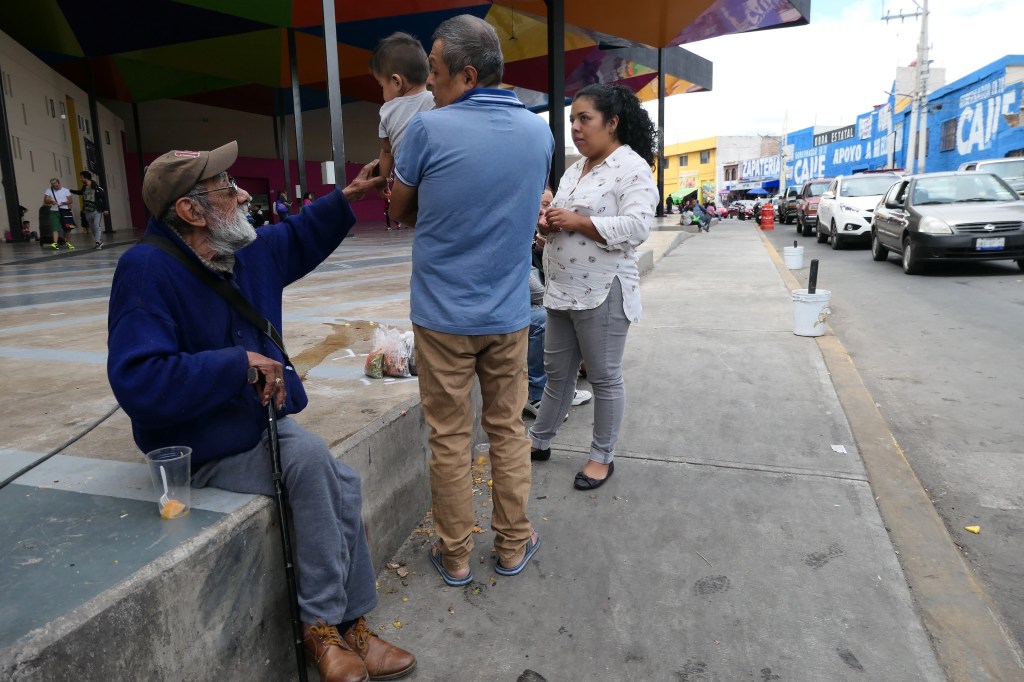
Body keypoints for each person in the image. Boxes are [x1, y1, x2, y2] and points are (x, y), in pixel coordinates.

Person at [106, 141, 415, 682]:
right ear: (191, 210)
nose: (244, 194)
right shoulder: (145, 270)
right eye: (227, 187)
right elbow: (139, 380)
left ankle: (352, 624)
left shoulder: (242, 251)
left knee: (341, 482)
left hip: (254, 426)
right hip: (200, 445)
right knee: (313, 460)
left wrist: (349, 196)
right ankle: (321, 627)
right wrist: (235, 364)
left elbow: (296, 235)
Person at [388, 14, 554, 586]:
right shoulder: (539, 133)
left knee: (450, 437)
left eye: (435, 71)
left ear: (466, 74)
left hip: (441, 318)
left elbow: (398, 210)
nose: (429, 82)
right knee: (507, 430)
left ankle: (455, 554)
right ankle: (512, 545)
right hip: (507, 314)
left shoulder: (427, 131)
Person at [529, 83, 658, 491]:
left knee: (603, 377)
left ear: (612, 122)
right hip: (561, 290)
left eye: (585, 119)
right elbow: (562, 217)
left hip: (602, 291)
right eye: (572, 120)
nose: (575, 128)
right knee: (557, 374)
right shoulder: (575, 169)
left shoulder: (632, 167)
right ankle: (540, 439)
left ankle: (602, 456)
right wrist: (548, 226)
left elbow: (638, 225)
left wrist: (578, 222)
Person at [525, 188, 592, 418]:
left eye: (551, 205)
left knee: (573, 307)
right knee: (547, 318)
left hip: (529, 302)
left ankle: (564, 388)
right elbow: (536, 291)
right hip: (513, 307)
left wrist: (545, 252)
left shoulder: (543, 236)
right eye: (543, 205)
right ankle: (537, 395)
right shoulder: (520, 232)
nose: (546, 211)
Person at [370, 32, 434, 231]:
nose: (382, 91)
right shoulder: (436, 100)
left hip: (408, 183)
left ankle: (428, 229)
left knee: (397, 213)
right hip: (437, 176)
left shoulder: (387, 111)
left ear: (397, 82)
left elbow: (386, 151)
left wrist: (383, 180)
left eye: (382, 85)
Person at [69, 170, 109, 249]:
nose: (80, 179)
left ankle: (98, 242)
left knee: (96, 225)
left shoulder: (97, 187)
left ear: (86, 177)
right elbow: (80, 192)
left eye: (81, 177)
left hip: (96, 210)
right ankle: (99, 240)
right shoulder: (84, 187)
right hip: (87, 210)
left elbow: (104, 198)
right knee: (92, 227)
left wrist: (106, 209)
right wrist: (70, 191)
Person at [43, 177, 74, 250]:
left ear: (59, 183)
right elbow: (45, 200)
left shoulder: (65, 190)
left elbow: (70, 200)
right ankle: (55, 243)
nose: (55, 187)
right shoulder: (49, 190)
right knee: (55, 227)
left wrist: (63, 203)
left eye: (56, 185)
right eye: (53, 186)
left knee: (68, 228)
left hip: (65, 211)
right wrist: (52, 202)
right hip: (54, 211)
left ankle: (68, 243)